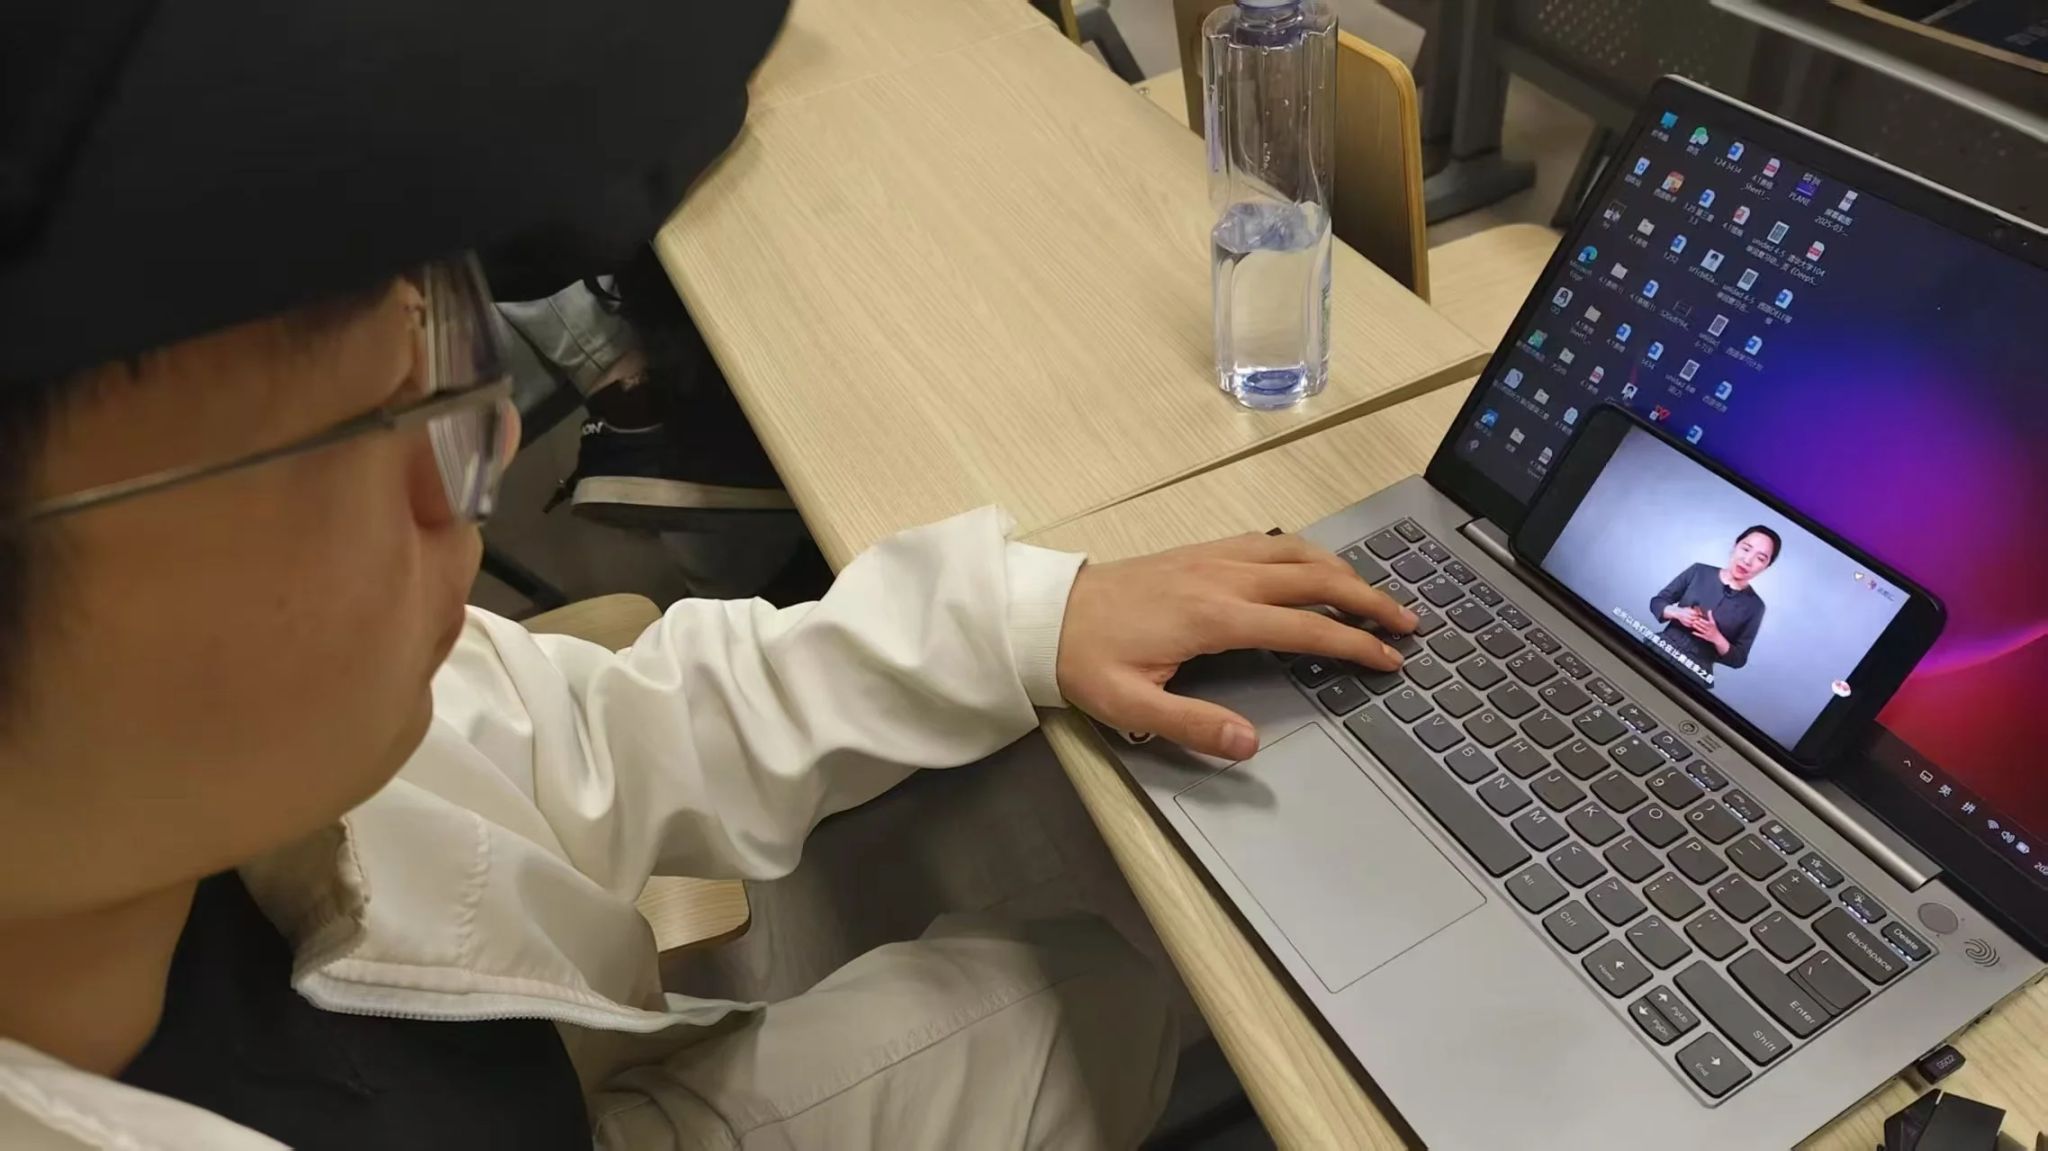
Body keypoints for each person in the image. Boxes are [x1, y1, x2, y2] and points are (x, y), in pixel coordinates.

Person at [0, 5, 1418, 1148]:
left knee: (1096, 975)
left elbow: (575, 728)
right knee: (1140, 982)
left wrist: (1022, 614)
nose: (485, 452)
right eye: (381, 413)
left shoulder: (200, 778)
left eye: (435, 337)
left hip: (563, 1092)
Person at [1649, 524, 1781, 678]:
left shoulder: (1756, 606)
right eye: (1746, 549)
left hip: (1694, 673)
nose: (1747, 560)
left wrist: (1716, 637)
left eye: (1760, 558)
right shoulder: (1699, 571)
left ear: (1766, 567)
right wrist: (1677, 613)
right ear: (1735, 545)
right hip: (1658, 649)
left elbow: (1739, 659)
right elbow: (1658, 601)